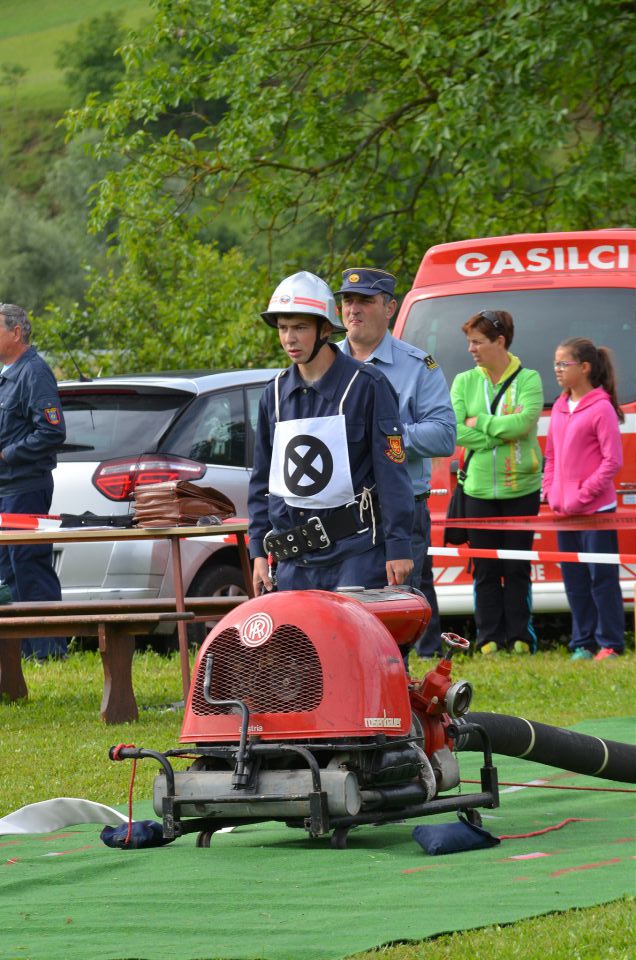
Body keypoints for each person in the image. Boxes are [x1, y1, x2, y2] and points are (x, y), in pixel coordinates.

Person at [248, 271, 414, 595]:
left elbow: (393, 474)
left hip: (357, 554)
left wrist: (399, 546)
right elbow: (261, 482)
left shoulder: (369, 386)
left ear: (325, 329)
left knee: (358, 646)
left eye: (300, 327)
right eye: (283, 328)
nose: (289, 339)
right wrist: (257, 551)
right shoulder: (274, 394)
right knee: (298, 646)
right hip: (293, 561)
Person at [336, 267, 456, 659]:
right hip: (339, 513)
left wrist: (387, 436)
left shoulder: (417, 366)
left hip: (398, 513)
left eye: (365, 301)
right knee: (339, 614)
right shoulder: (325, 365)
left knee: (394, 615)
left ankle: (395, 705)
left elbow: (443, 435)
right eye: (348, 301)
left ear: (390, 307)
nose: (354, 309)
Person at [451, 309, 543, 655]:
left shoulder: (529, 379)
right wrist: (495, 435)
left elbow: (523, 424)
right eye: (469, 342)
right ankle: (489, 637)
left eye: (477, 342)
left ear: (499, 342)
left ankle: (520, 636)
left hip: (521, 488)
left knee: (517, 565)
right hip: (476, 489)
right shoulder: (464, 381)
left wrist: (481, 422)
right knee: (485, 567)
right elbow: (456, 428)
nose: (471, 349)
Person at [543, 338, 625, 660]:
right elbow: (550, 456)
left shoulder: (601, 407)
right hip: (565, 512)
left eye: (564, 364)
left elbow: (612, 461)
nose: (558, 370)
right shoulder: (561, 407)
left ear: (585, 368)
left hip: (596, 511)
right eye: (556, 365)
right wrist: (551, 490)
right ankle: (583, 642)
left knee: (601, 578)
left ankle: (610, 643)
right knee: (574, 579)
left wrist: (583, 493)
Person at [0, 304, 67, 659]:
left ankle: (49, 650)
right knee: (8, 571)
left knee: (29, 566)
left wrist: (7, 454)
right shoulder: (7, 373)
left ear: (16, 332)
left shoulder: (35, 373)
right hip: (6, 490)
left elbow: (52, 431)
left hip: (25, 487)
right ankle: (22, 652)